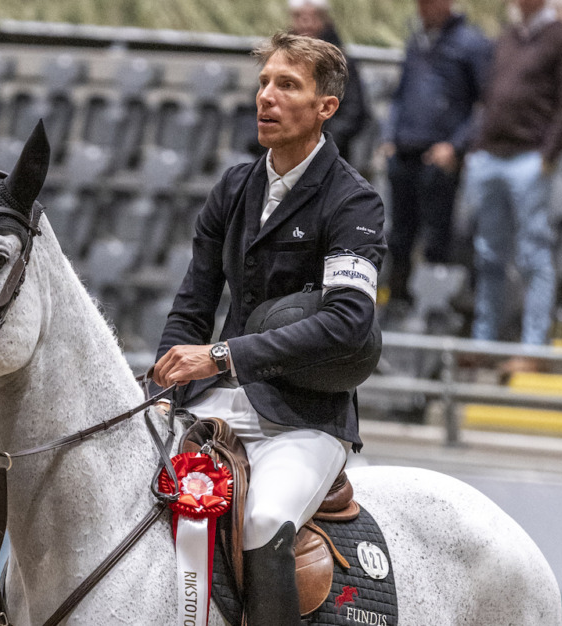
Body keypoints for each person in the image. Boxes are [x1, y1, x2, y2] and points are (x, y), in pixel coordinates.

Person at [151, 31, 386, 626]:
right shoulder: (232, 188)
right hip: (213, 401)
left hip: (305, 417)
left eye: (287, 85)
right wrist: (161, 385)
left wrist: (223, 356)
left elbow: (348, 324)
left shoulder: (355, 202)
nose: (266, 97)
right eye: (263, 83)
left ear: (325, 107)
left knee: (260, 522)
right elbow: (191, 307)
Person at [466, 0, 562, 373]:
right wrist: (479, 145)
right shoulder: (509, 37)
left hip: (529, 160)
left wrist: (547, 156)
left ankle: (534, 349)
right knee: (488, 255)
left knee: (534, 256)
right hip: (491, 157)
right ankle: (484, 341)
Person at [381, 0, 491, 311]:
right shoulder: (417, 40)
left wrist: (456, 146)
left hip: (439, 156)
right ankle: (396, 304)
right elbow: (402, 93)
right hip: (404, 150)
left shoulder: (470, 43)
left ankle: (433, 309)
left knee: (436, 237)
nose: (423, 8)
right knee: (399, 234)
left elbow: (484, 104)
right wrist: (391, 135)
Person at [288, 0, 371, 163]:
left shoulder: (341, 62)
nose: (306, 24)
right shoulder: (281, 60)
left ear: (324, 20)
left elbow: (354, 112)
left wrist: (322, 141)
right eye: (299, 17)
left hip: (328, 156)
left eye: (312, 17)